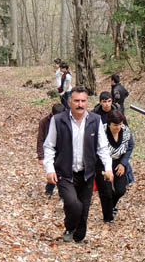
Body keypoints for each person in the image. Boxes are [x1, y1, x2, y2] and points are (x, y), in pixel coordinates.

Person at [43, 87, 114, 243]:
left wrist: (108, 168)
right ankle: (69, 227)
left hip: (87, 172)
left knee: (84, 208)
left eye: (83, 101)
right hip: (65, 172)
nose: (80, 104)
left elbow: (103, 147)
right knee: (73, 204)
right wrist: (49, 169)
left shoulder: (95, 120)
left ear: (87, 102)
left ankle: (78, 236)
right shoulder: (58, 120)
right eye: (76, 101)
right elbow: (49, 146)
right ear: (70, 102)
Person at [95, 110, 135, 223]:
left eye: (120, 124)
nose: (118, 127)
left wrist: (123, 163)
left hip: (119, 162)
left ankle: (111, 205)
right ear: (109, 124)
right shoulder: (101, 131)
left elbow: (130, 146)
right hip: (102, 163)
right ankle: (108, 218)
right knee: (106, 192)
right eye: (115, 125)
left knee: (120, 190)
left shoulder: (125, 131)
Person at [37, 103, 65, 197]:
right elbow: (40, 139)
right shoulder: (44, 122)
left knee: (61, 172)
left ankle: (61, 194)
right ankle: (49, 190)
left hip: (62, 150)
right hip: (50, 149)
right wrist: (41, 156)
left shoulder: (67, 120)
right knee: (52, 170)